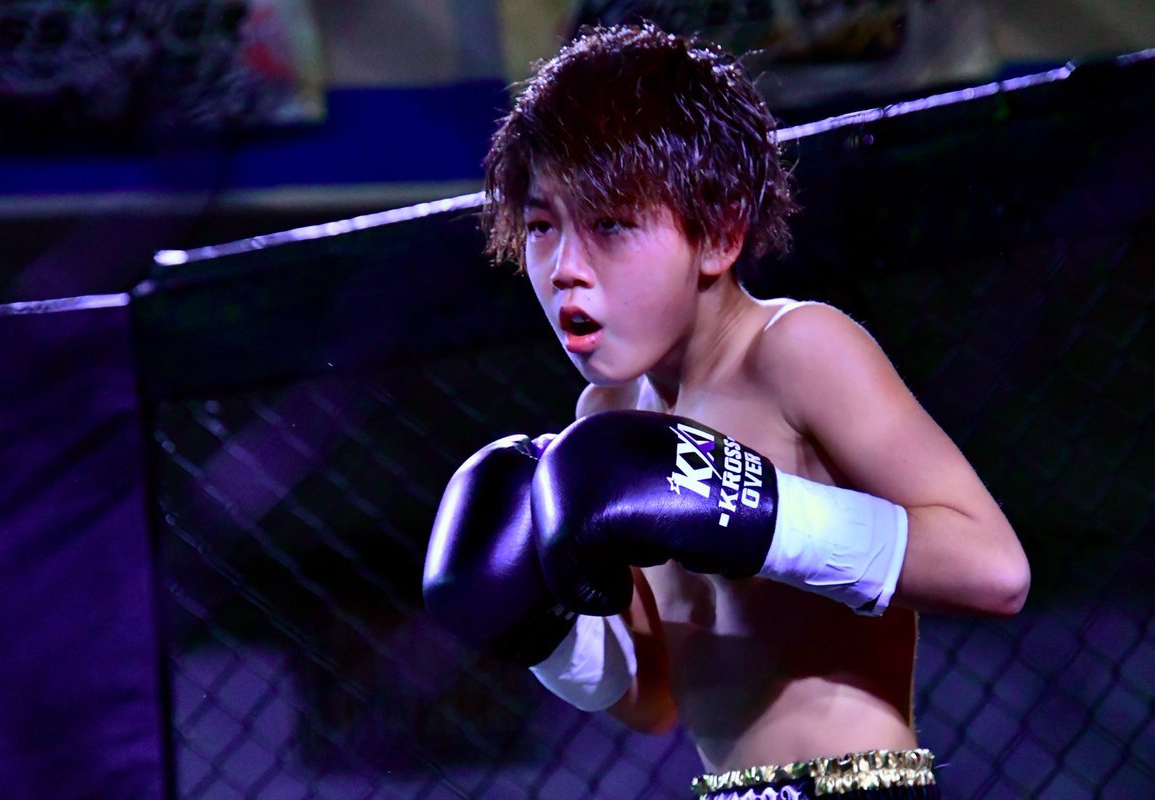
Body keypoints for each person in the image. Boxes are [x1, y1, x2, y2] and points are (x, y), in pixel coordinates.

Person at [424, 22, 1030, 800]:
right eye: (543, 226)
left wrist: (763, 518)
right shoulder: (605, 414)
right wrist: (545, 634)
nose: (565, 268)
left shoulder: (798, 350)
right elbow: (654, 699)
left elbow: (994, 570)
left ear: (717, 230)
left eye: (610, 224)